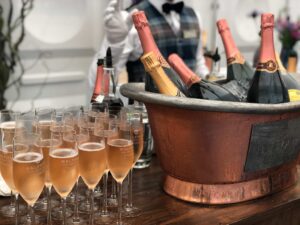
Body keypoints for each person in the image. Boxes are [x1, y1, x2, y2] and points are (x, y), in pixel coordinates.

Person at [88, 0, 209, 101]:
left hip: (193, 115)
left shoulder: (195, 16)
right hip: (146, 116)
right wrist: (114, 43)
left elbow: (198, 64)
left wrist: (210, 82)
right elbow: (96, 84)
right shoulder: (128, 19)